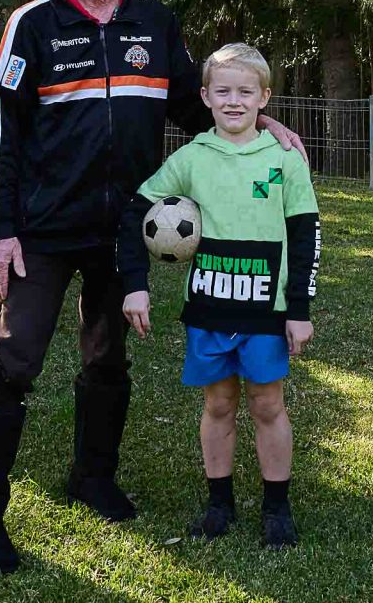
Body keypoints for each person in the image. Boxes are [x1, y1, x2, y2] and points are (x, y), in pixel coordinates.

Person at [0, 0, 304, 576]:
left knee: (107, 358)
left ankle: (92, 477)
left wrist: (262, 126)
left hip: (124, 230)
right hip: (45, 231)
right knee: (14, 359)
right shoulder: (33, 26)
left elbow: (199, 104)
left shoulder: (156, 23)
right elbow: (3, 131)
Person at [119, 43, 320, 550]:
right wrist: (135, 283)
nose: (234, 101)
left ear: (264, 98)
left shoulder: (284, 159)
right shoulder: (190, 159)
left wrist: (299, 310)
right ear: (205, 96)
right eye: (223, 91)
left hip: (266, 311)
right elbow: (133, 211)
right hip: (208, 308)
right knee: (219, 404)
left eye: (245, 91)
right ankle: (219, 503)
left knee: (268, 404)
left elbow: (306, 237)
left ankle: (277, 507)